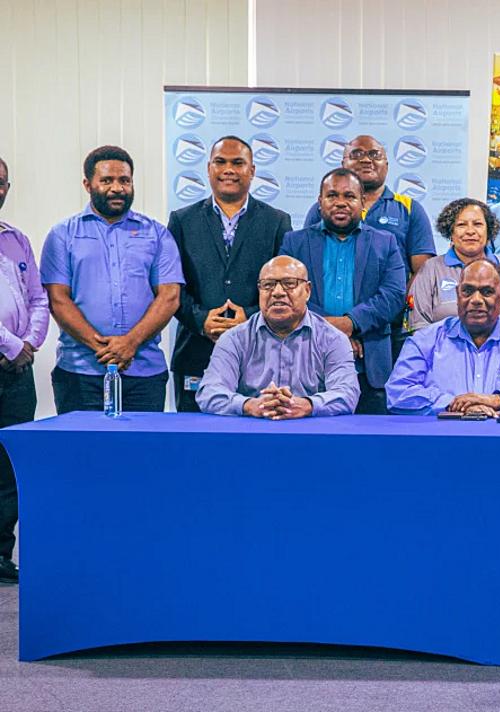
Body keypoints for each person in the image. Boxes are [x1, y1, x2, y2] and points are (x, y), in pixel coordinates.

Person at [41, 145, 183, 413]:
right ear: (87, 184)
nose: (117, 188)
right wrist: (104, 349)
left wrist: (130, 343)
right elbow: (58, 300)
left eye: (124, 180)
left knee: (143, 442)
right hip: (80, 373)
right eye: (106, 180)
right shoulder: (62, 235)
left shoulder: (157, 234)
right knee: (84, 443)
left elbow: (170, 296)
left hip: (144, 373)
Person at [168, 136, 292, 412]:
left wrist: (249, 316)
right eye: (220, 162)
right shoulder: (182, 220)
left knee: (256, 434)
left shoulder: (276, 221)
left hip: (260, 354)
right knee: (194, 435)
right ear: (209, 168)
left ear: (252, 170)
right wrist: (201, 320)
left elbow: (285, 288)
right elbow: (171, 287)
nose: (228, 170)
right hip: (195, 351)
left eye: (238, 163)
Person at [281, 168, 406, 414]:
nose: (340, 202)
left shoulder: (385, 242)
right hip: (305, 362)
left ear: (362, 202)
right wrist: (333, 332)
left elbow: (393, 295)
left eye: (349, 196)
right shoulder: (294, 243)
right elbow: (286, 293)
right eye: (332, 195)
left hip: (369, 366)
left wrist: (351, 323)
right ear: (320, 202)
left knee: (370, 437)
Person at [386, 260, 500, 415]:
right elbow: (398, 392)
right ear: (457, 295)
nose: (476, 300)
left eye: (487, 292)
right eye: (467, 291)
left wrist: (499, 400)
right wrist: (455, 404)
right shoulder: (424, 341)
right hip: (444, 442)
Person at [304, 135, 435, 359]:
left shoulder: (409, 208)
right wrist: (336, 325)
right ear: (343, 163)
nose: (366, 160)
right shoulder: (321, 211)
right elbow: (308, 271)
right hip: (325, 330)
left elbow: (422, 272)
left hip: (388, 327)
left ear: (387, 164)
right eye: (356, 154)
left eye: (374, 154)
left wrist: (363, 318)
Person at [197, 256, 360, 417]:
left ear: (307, 291)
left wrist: (307, 405)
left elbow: (347, 393)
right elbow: (209, 392)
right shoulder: (234, 339)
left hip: (311, 431)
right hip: (252, 430)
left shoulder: (333, 339)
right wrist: (249, 405)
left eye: (289, 283)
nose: (277, 292)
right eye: (268, 285)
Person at [0, 156, 49, 585]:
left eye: (1, 183)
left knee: (8, 468)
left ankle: (1, 554)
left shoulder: (16, 240)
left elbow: (38, 298)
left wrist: (30, 344)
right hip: (12, 356)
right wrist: (14, 346)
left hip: (17, 373)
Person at [407, 198, 500, 329]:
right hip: (442, 343)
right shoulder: (431, 269)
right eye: (461, 225)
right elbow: (418, 326)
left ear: (489, 230)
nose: (470, 231)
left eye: (477, 224)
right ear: (450, 231)